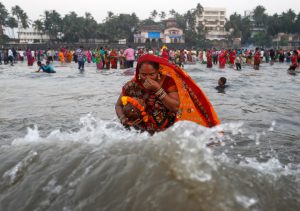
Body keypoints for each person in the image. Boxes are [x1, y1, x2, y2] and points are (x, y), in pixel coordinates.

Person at [115, 54, 220, 133]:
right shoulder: (132, 84)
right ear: (138, 73)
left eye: (152, 74)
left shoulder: (167, 82)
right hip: (140, 132)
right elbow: (118, 105)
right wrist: (123, 119)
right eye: (143, 74)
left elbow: (175, 107)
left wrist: (158, 89)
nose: (147, 78)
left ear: (158, 72)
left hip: (165, 133)